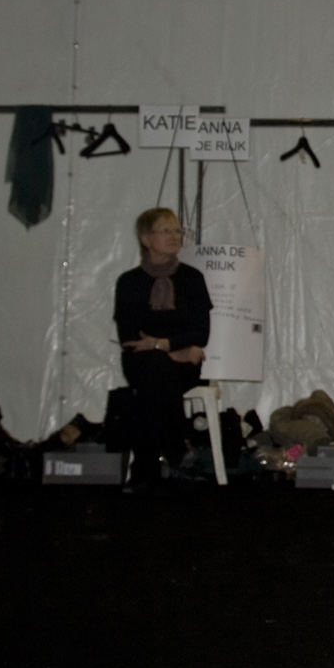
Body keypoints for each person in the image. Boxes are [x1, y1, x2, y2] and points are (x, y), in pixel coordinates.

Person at [114, 207, 211, 489]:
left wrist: (159, 344)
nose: (174, 236)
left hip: (183, 366)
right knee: (155, 367)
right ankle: (177, 447)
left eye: (177, 230)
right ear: (146, 239)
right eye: (165, 231)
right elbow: (129, 337)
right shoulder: (129, 282)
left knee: (152, 383)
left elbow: (201, 333)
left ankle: (145, 470)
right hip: (145, 361)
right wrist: (173, 348)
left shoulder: (192, 278)